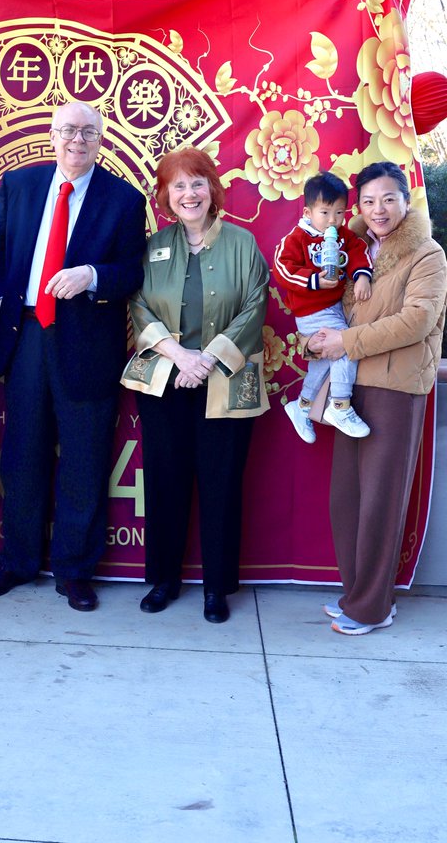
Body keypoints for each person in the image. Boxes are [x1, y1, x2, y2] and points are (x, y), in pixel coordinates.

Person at [0, 101, 146, 612]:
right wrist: (3, 296)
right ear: (52, 136)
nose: (78, 140)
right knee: (23, 454)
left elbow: (132, 272)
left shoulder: (123, 198)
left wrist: (92, 276)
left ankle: (74, 571)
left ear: (102, 140)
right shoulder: (21, 186)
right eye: (69, 130)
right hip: (27, 334)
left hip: (88, 342)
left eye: (89, 132)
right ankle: (18, 562)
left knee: (84, 457)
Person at [122, 147, 269, 624]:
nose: (189, 193)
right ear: (165, 196)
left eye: (198, 183)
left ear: (212, 189)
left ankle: (216, 587)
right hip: (166, 379)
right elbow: (138, 305)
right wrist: (179, 355)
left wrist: (206, 359)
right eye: (178, 186)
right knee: (165, 482)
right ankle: (164, 579)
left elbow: (254, 304)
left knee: (221, 485)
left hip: (224, 380)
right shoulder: (153, 247)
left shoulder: (242, 244)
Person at [308, 161, 447, 636]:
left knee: (380, 501)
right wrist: (316, 337)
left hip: (395, 387)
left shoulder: (427, 254)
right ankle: (356, 593)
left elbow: (417, 323)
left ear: (406, 201)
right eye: (368, 201)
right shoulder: (352, 248)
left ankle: (372, 606)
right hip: (350, 385)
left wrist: (343, 343)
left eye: (388, 199)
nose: (378, 209)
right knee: (345, 498)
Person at [273, 171, 373, 443]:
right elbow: (282, 268)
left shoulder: (343, 234)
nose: (333, 221)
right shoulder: (297, 238)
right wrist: (314, 280)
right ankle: (340, 405)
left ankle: (302, 405)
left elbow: (358, 250)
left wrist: (362, 274)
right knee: (345, 348)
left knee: (326, 360)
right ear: (308, 212)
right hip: (311, 311)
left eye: (339, 213)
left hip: (333, 307)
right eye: (325, 213)